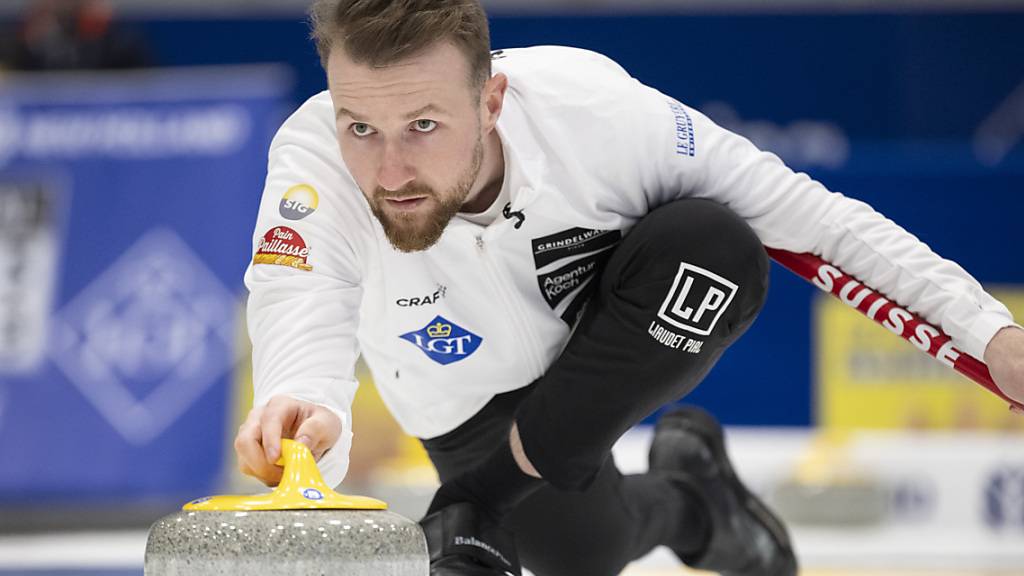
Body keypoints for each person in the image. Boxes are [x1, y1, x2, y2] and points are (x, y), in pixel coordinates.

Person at [233, 1, 1024, 575]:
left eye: (425, 127)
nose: (390, 169)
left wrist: (992, 339)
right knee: (584, 553)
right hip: (460, 390)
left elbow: (816, 224)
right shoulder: (313, 156)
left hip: (608, 328)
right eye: (360, 127)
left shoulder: (596, 114)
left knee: (714, 246)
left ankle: (486, 494)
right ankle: (697, 499)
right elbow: (300, 294)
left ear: (492, 100)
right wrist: (305, 408)